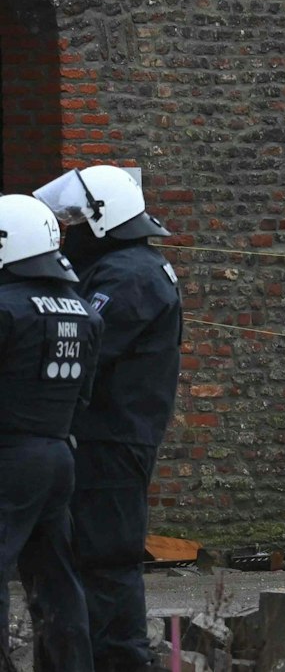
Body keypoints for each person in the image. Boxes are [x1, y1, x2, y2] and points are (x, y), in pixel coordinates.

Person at [34, 166, 182, 670]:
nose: (68, 231)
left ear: (105, 220)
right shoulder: (127, 265)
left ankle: (117, 661)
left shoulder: (130, 274)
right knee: (89, 561)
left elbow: (87, 347)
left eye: (76, 221)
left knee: (106, 560)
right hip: (109, 435)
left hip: (112, 439)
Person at [0, 193, 101, 672]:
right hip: (58, 453)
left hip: (9, 455)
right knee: (57, 579)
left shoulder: (6, 307)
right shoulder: (83, 310)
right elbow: (85, 393)